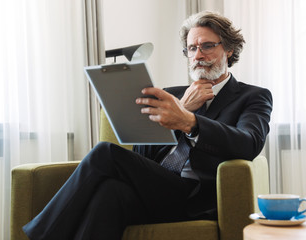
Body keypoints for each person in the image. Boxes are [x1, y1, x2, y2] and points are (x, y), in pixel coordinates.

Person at [23, 11, 272, 240]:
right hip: (155, 188)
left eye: (207, 46)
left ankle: (41, 234)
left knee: (104, 152)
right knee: (109, 193)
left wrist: (189, 120)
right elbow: (143, 155)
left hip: (195, 196)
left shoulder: (252, 96)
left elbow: (248, 142)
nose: (198, 55)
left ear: (228, 49)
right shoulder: (171, 95)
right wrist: (182, 108)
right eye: (192, 48)